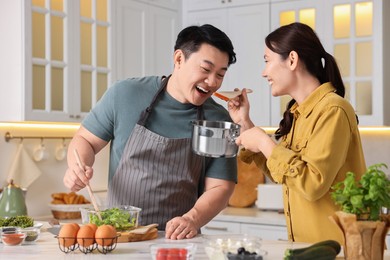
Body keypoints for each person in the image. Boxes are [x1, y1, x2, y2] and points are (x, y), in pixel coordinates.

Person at [63, 24, 238, 240]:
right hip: (119, 238)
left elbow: (221, 188)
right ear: (179, 59)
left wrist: (192, 219)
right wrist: (77, 167)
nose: (212, 82)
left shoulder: (217, 119)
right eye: (205, 69)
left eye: (220, 75)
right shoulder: (126, 94)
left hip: (177, 242)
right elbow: (84, 141)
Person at [228, 22, 366, 244]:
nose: (264, 73)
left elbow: (312, 184)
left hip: (338, 250)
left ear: (292, 60)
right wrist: (245, 122)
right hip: (307, 248)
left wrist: (264, 142)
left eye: (267, 61)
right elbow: (285, 174)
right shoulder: (298, 114)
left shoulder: (333, 110)